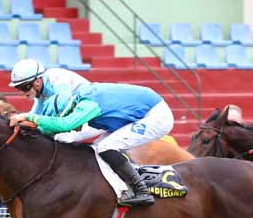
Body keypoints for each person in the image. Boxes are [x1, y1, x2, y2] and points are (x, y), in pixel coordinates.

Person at [10, 82, 174, 207]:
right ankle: (123, 186)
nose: (78, 126)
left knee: (106, 146)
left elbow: (65, 125)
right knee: (97, 147)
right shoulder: (77, 100)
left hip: (155, 116)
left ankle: (141, 190)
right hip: (137, 112)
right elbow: (63, 132)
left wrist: (28, 117)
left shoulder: (88, 105)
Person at [8, 58, 89, 115]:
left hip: (94, 113)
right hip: (83, 113)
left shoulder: (58, 80)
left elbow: (63, 111)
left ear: (37, 82)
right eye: (18, 88)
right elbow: (36, 114)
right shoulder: (41, 89)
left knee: (63, 137)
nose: (22, 92)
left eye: (24, 87)